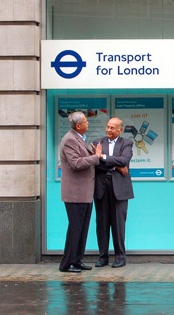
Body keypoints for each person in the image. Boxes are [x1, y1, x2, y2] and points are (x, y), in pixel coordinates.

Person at [59, 111, 102, 273]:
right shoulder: (70, 139)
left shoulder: (78, 138)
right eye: (85, 121)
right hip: (75, 193)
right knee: (75, 228)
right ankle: (66, 263)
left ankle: (77, 260)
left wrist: (92, 154)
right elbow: (76, 163)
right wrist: (96, 156)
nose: (88, 123)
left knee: (82, 228)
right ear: (78, 125)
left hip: (84, 193)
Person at [93, 117, 134, 268]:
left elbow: (124, 161)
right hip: (101, 188)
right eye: (108, 127)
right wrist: (116, 166)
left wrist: (103, 157)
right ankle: (102, 257)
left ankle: (120, 257)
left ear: (120, 130)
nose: (108, 130)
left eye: (112, 128)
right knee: (102, 224)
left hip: (119, 190)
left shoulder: (127, 143)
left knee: (118, 224)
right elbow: (95, 164)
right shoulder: (98, 142)